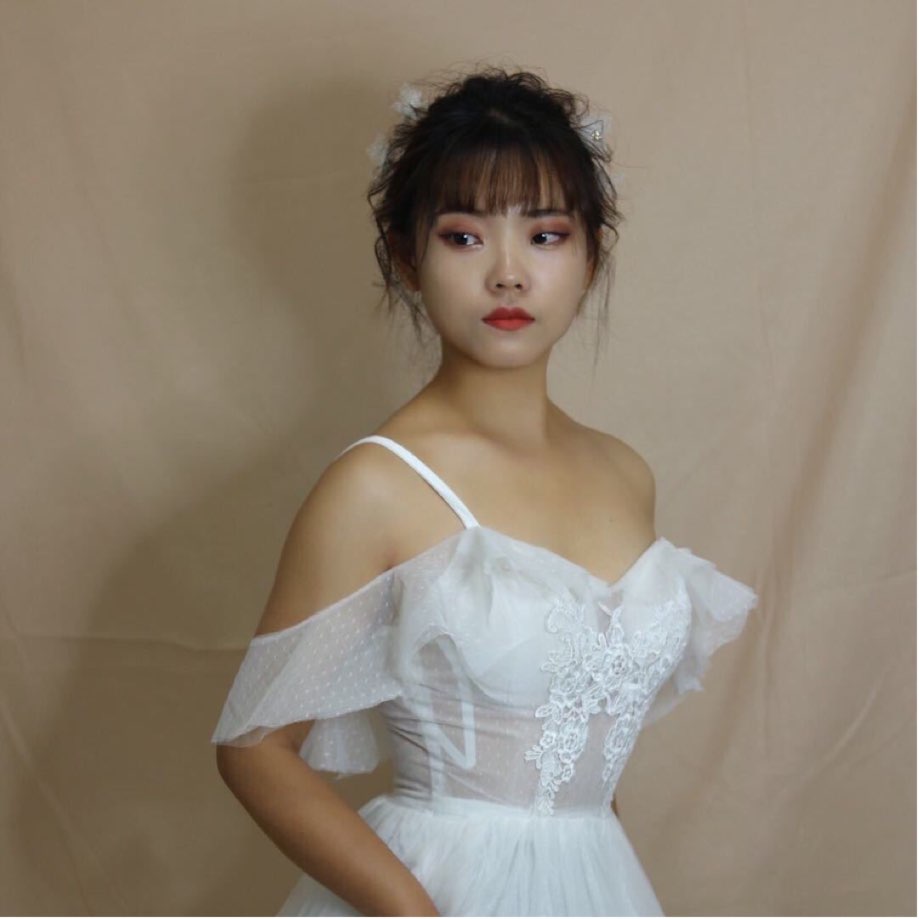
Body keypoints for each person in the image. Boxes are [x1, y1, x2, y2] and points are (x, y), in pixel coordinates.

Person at [211, 67, 759, 917]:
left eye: (544, 235)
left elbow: (576, 744)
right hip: (438, 890)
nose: (508, 274)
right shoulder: (377, 485)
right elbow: (254, 747)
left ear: (589, 255)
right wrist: (414, 912)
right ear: (407, 255)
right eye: (465, 237)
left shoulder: (623, 473)